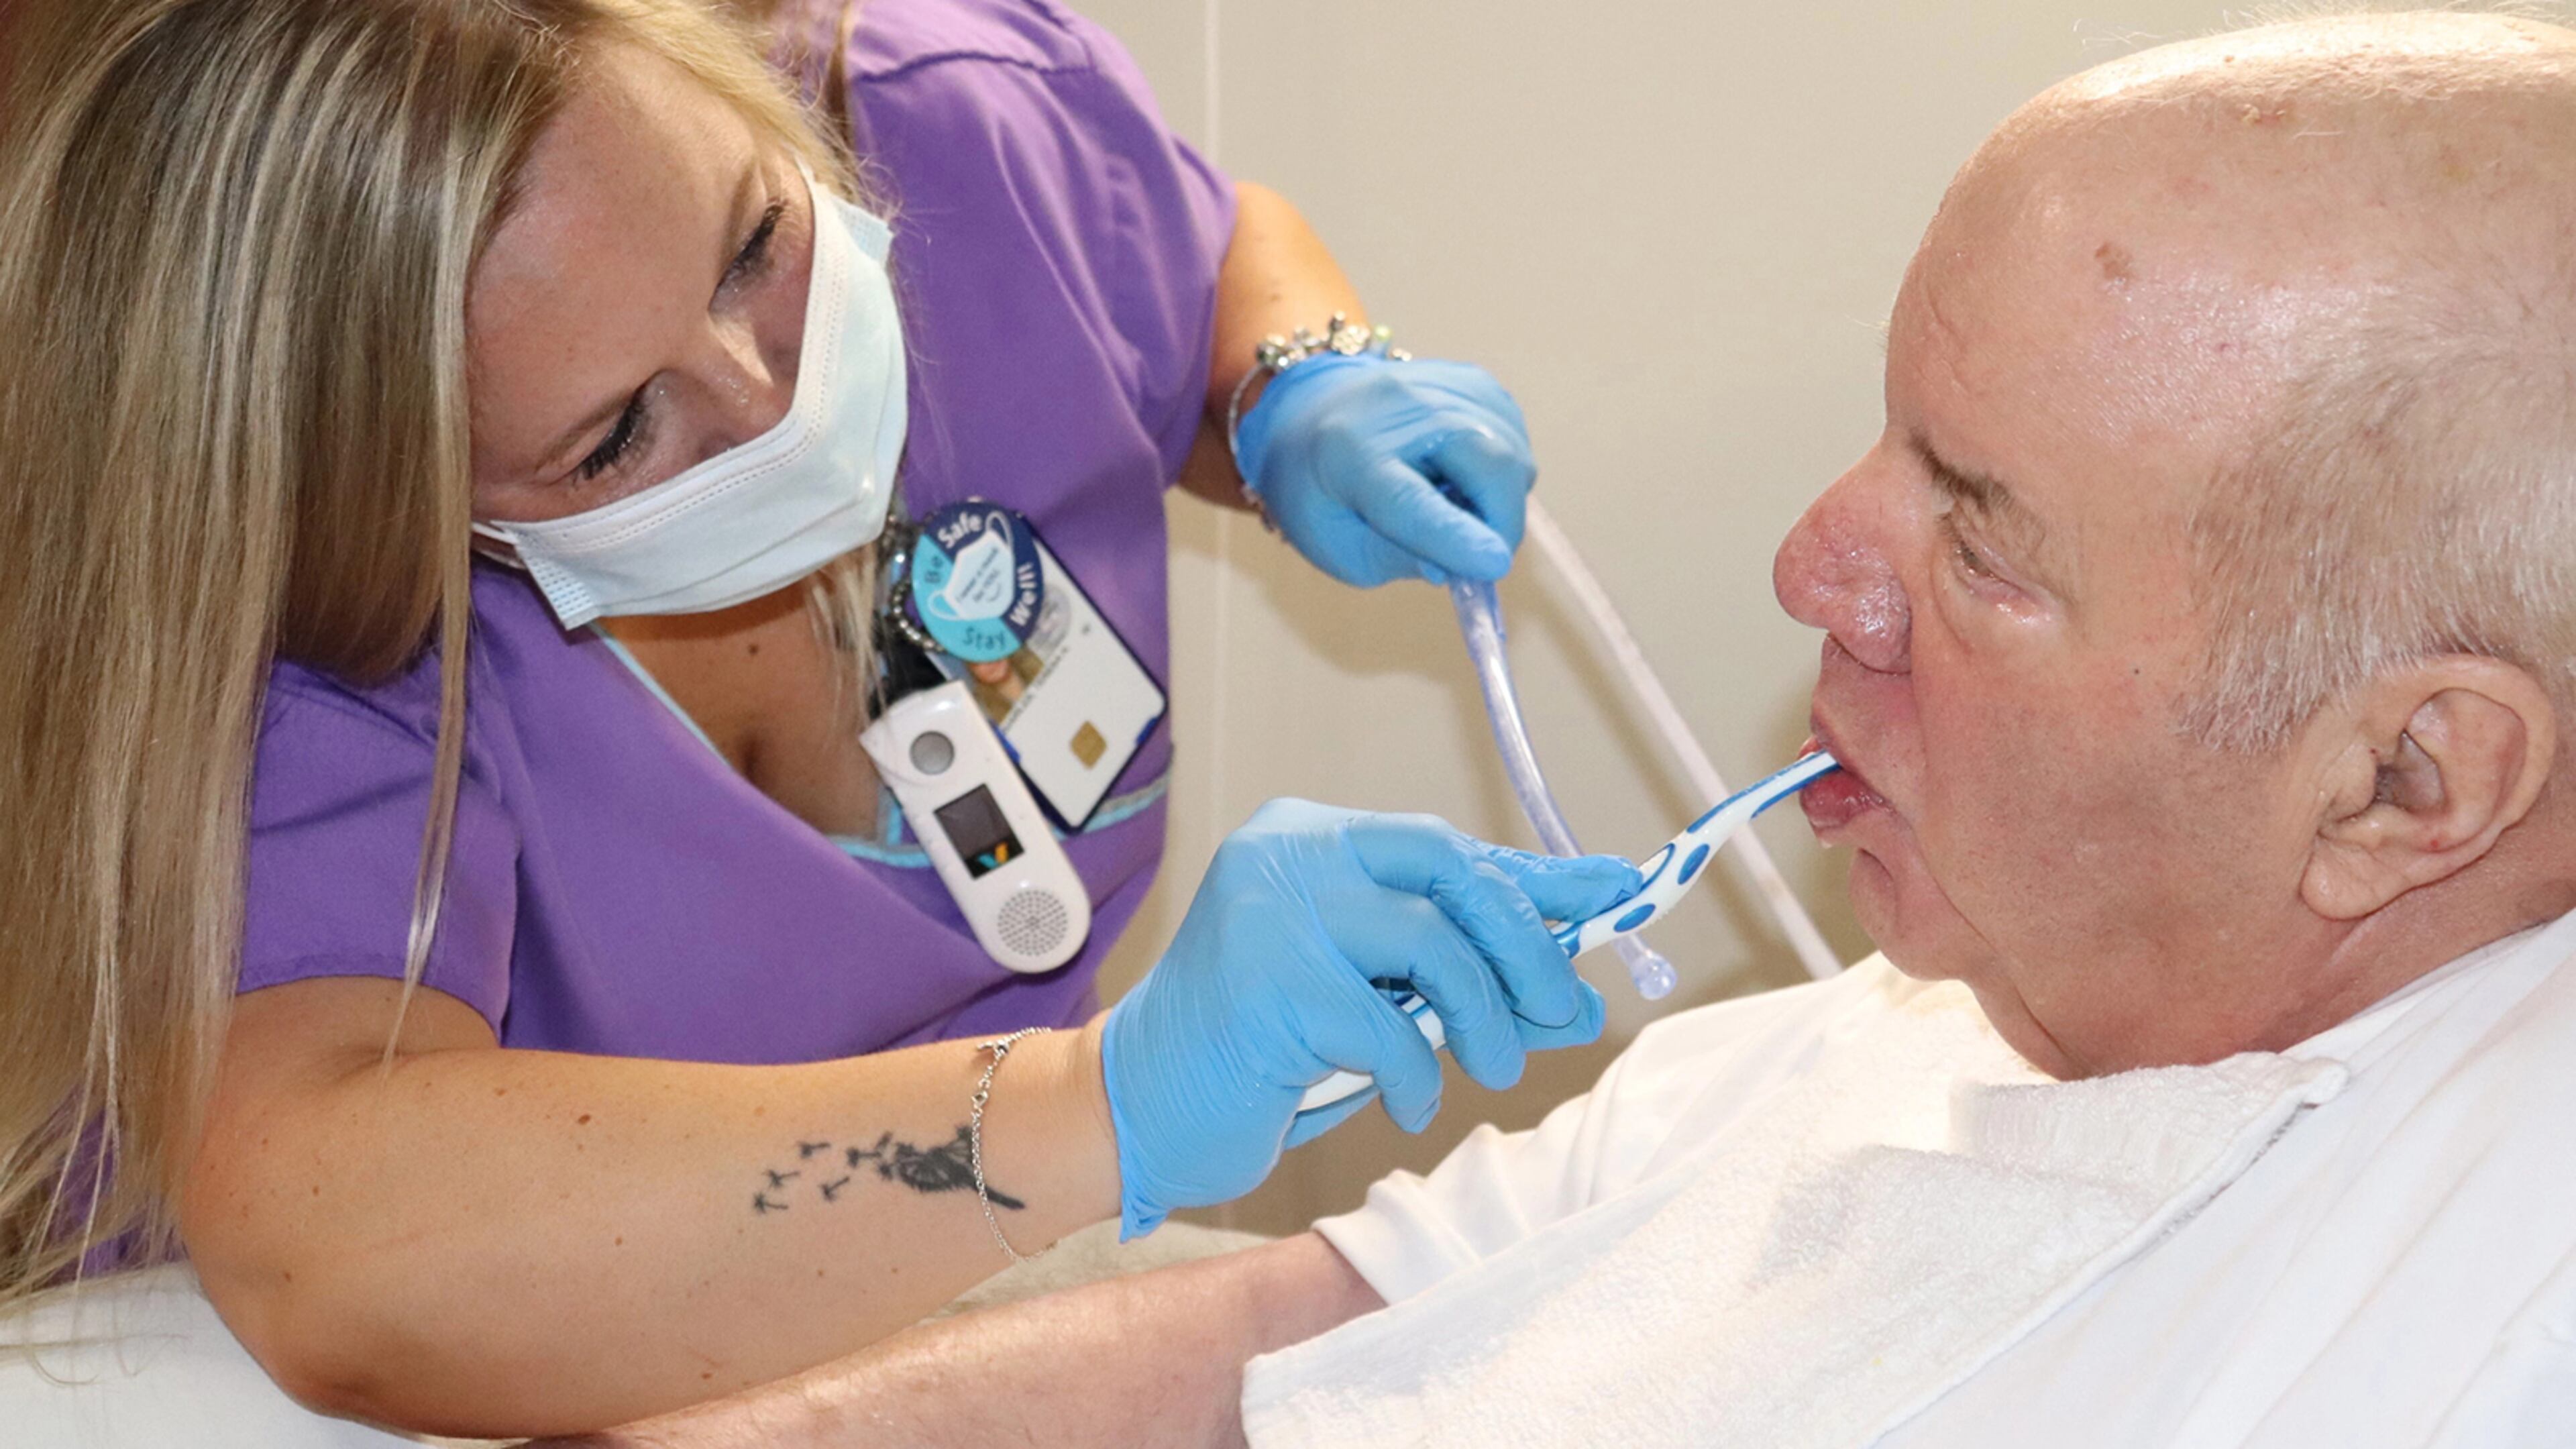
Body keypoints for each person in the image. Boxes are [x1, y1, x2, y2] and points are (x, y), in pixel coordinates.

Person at [556, 10, 2576, 1446]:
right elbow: (1286, 1346)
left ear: (2408, 784)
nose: (1810, 568)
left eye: (1979, 541)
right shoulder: (1885, 1035)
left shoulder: (2492, 1290)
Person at [0, 0, 1631, 1439]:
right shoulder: (314, 641)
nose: (774, 401)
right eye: (619, 433)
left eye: (755, 246)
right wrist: (1098, 1104)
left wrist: (1295, 379)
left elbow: (1188, 253)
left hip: (952, 1307)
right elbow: (329, 1248)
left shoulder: (953, 132)